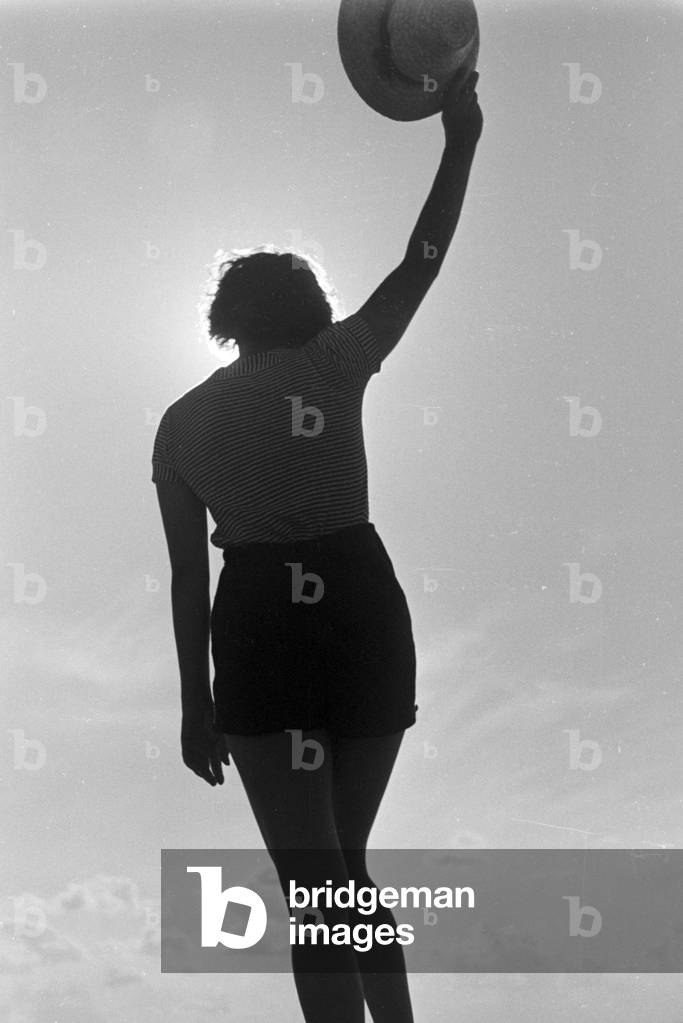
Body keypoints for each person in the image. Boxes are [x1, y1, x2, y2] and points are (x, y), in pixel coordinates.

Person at [152, 68, 483, 1023]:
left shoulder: (179, 425)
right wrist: (459, 141)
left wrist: (194, 705)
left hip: (257, 621)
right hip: (358, 604)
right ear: (305, 307)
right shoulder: (335, 361)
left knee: (319, 887)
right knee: (343, 874)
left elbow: (186, 575)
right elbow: (420, 261)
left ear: (227, 320)